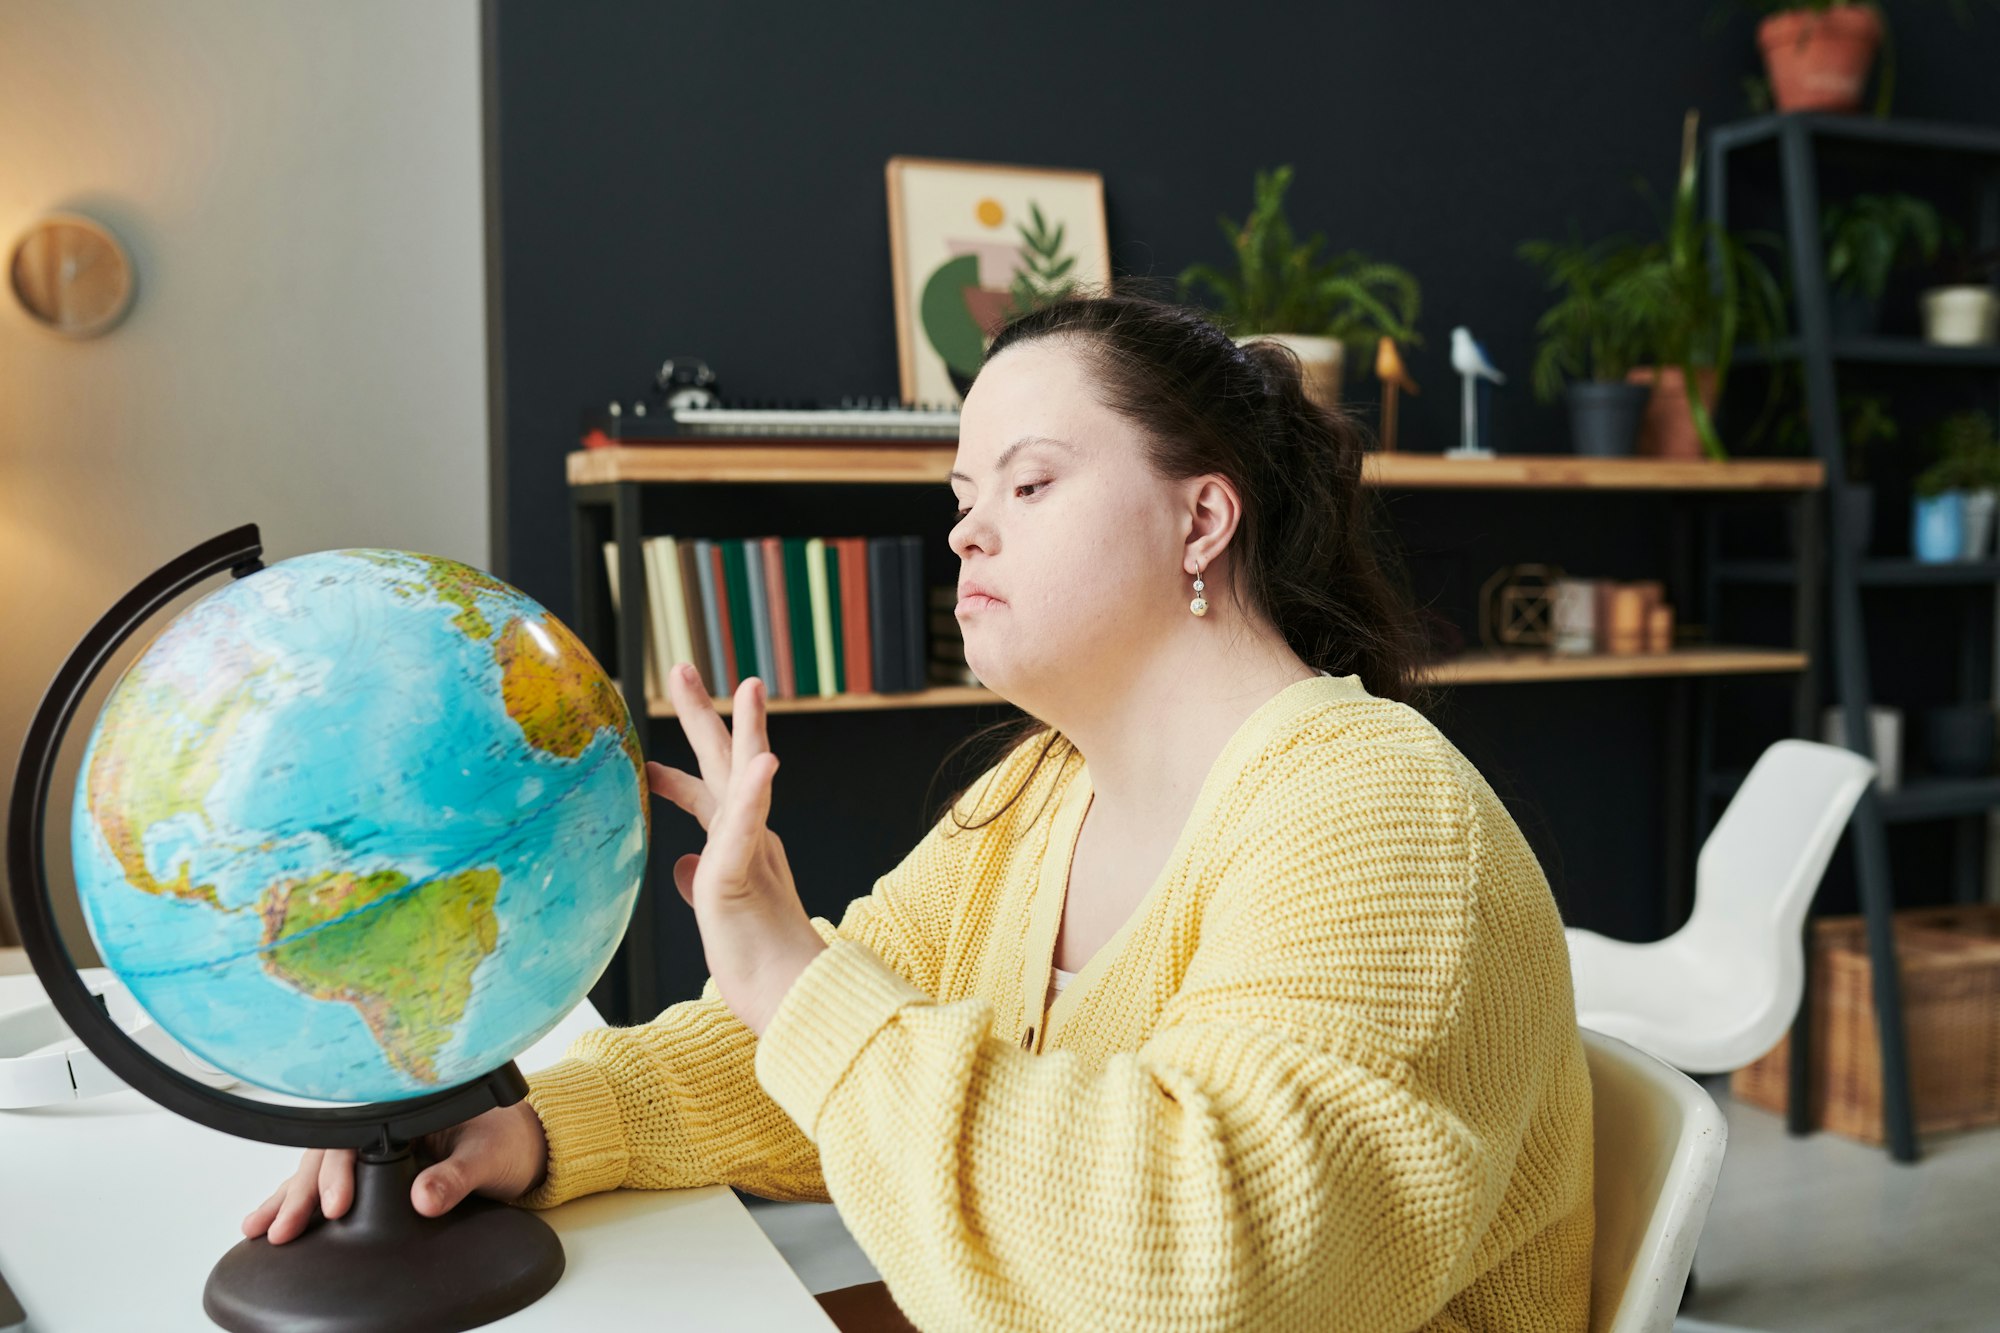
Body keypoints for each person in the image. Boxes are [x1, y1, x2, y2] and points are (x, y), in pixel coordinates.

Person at [244, 289, 1595, 1331]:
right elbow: (825, 1061)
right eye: (961, 496)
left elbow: (1217, 1263)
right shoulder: (1039, 789)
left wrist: (792, 975)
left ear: (1201, 521)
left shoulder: (1378, 809)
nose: (965, 530)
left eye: (1029, 481)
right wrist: (531, 1124)